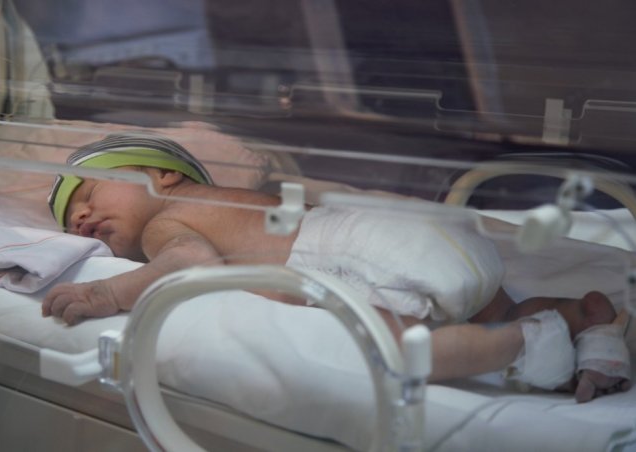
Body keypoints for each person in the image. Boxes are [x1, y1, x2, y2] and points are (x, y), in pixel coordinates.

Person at [43, 134, 631, 402]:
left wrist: (105, 294)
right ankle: (587, 322)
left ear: (163, 176)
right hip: (415, 235)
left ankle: (527, 340)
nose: (82, 216)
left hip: (353, 254)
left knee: (401, 351)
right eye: (71, 220)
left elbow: (189, 261)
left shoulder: (166, 221)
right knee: (485, 303)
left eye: (89, 192)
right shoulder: (219, 204)